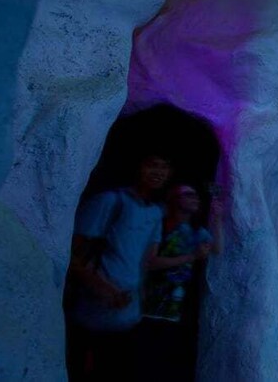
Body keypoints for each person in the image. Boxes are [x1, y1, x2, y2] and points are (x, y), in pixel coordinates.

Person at [66, 152, 171, 381]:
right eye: (152, 164)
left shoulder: (155, 212)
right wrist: (104, 288)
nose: (158, 172)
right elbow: (71, 255)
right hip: (91, 312)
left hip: (128, 316)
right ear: (138, 167)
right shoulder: (109, 201)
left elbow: (147, 260)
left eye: (164, 167)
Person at [138, 182, 224, 380]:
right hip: (149, 307)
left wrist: (218, 217)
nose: (195, 198)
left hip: (177, 310)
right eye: (188, 194)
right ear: (173, 200)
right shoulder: (159, 226)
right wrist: (191, 256)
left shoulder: (195, 231)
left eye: (195, 195)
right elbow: (150, 263)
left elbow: (217, 248)